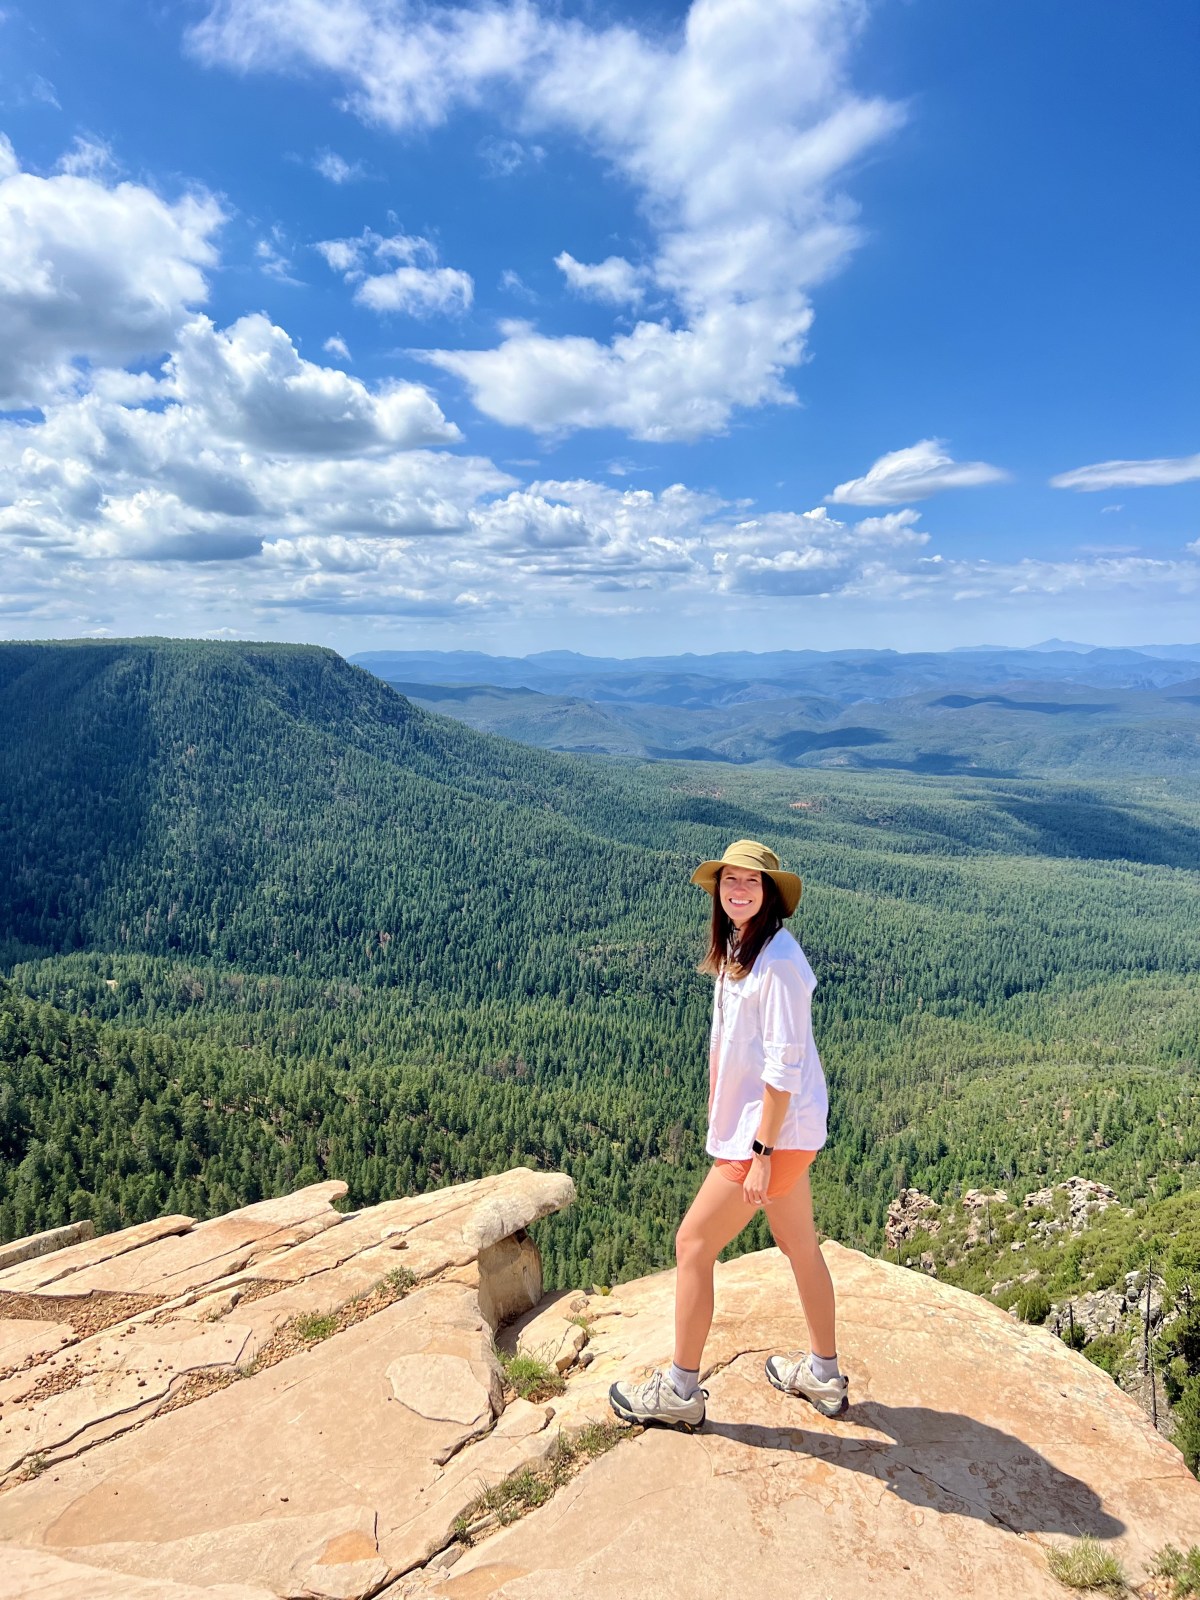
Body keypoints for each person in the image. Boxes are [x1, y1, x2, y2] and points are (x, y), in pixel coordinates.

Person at [608, 839, 846, 1431]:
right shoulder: (743, 947)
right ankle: (823, 1374)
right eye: (730, 880)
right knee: (799, 1245)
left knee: (692, 1246)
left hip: (768, 1138)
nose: (739, 889)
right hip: (770, 1135)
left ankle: (681, 1390)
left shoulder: (781, 961)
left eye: (752, 881)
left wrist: (760, 1154)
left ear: (770, 894)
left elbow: (782, 1067)